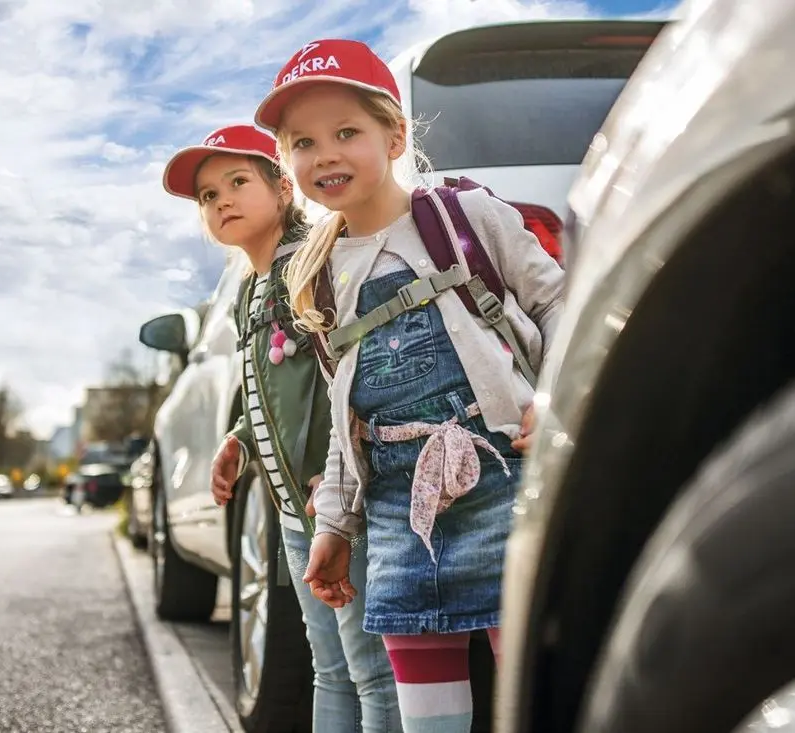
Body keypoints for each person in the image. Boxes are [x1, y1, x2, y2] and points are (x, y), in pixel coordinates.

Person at [253, 40, 564, 733]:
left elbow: (560, 303)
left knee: (530, 695)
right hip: (398, 512)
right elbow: (346, 422)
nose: (326, 154)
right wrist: (334, 522)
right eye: (303, 142)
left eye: (346, 133)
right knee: (427, 714)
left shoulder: (464, 217)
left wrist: (558, 397)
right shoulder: (319, 273)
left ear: (394, 136)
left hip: (503, 480)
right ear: (287, 162)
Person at [162, 123, 402, 733]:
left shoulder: (313, 262)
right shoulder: (251, 289)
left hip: (337, 502)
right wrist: (240, 441)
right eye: (209, 197)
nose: (223, 202)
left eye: (238, 182)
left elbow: (340, 378)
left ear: (283, 189)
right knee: (329, 667)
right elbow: (269, 389)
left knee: (370, 669)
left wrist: (336, 492)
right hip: (293, 509)